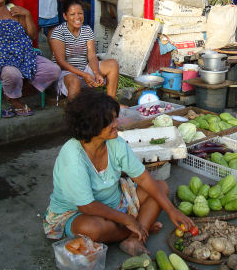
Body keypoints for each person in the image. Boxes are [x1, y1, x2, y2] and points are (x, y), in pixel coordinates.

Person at [43, 88, 194, 255]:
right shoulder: (73, 157)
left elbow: (143, 179)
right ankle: (141, 228)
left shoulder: (116, 143)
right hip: (79, 212)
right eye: (110, 121)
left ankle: (133, 239)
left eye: (115, 118)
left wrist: (171, 210)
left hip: (117, 201)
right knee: (91, 229)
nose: (117, 124)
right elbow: (87, 206)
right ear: (91, 125)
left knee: (161, 188)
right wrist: (127, 219)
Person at [50, 0, 120, 100]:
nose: (77, 17)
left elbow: (91, 55)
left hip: (85, 69)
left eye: (80, 13)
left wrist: (96, 73)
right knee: (75, 81)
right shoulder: (58, 32)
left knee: (113, 64)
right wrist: (84, 75)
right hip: (66, 73)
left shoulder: (87, 30)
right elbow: (61, 62)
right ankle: (72, 113)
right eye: (72, 14)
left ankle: (111, 103)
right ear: (65, 16)